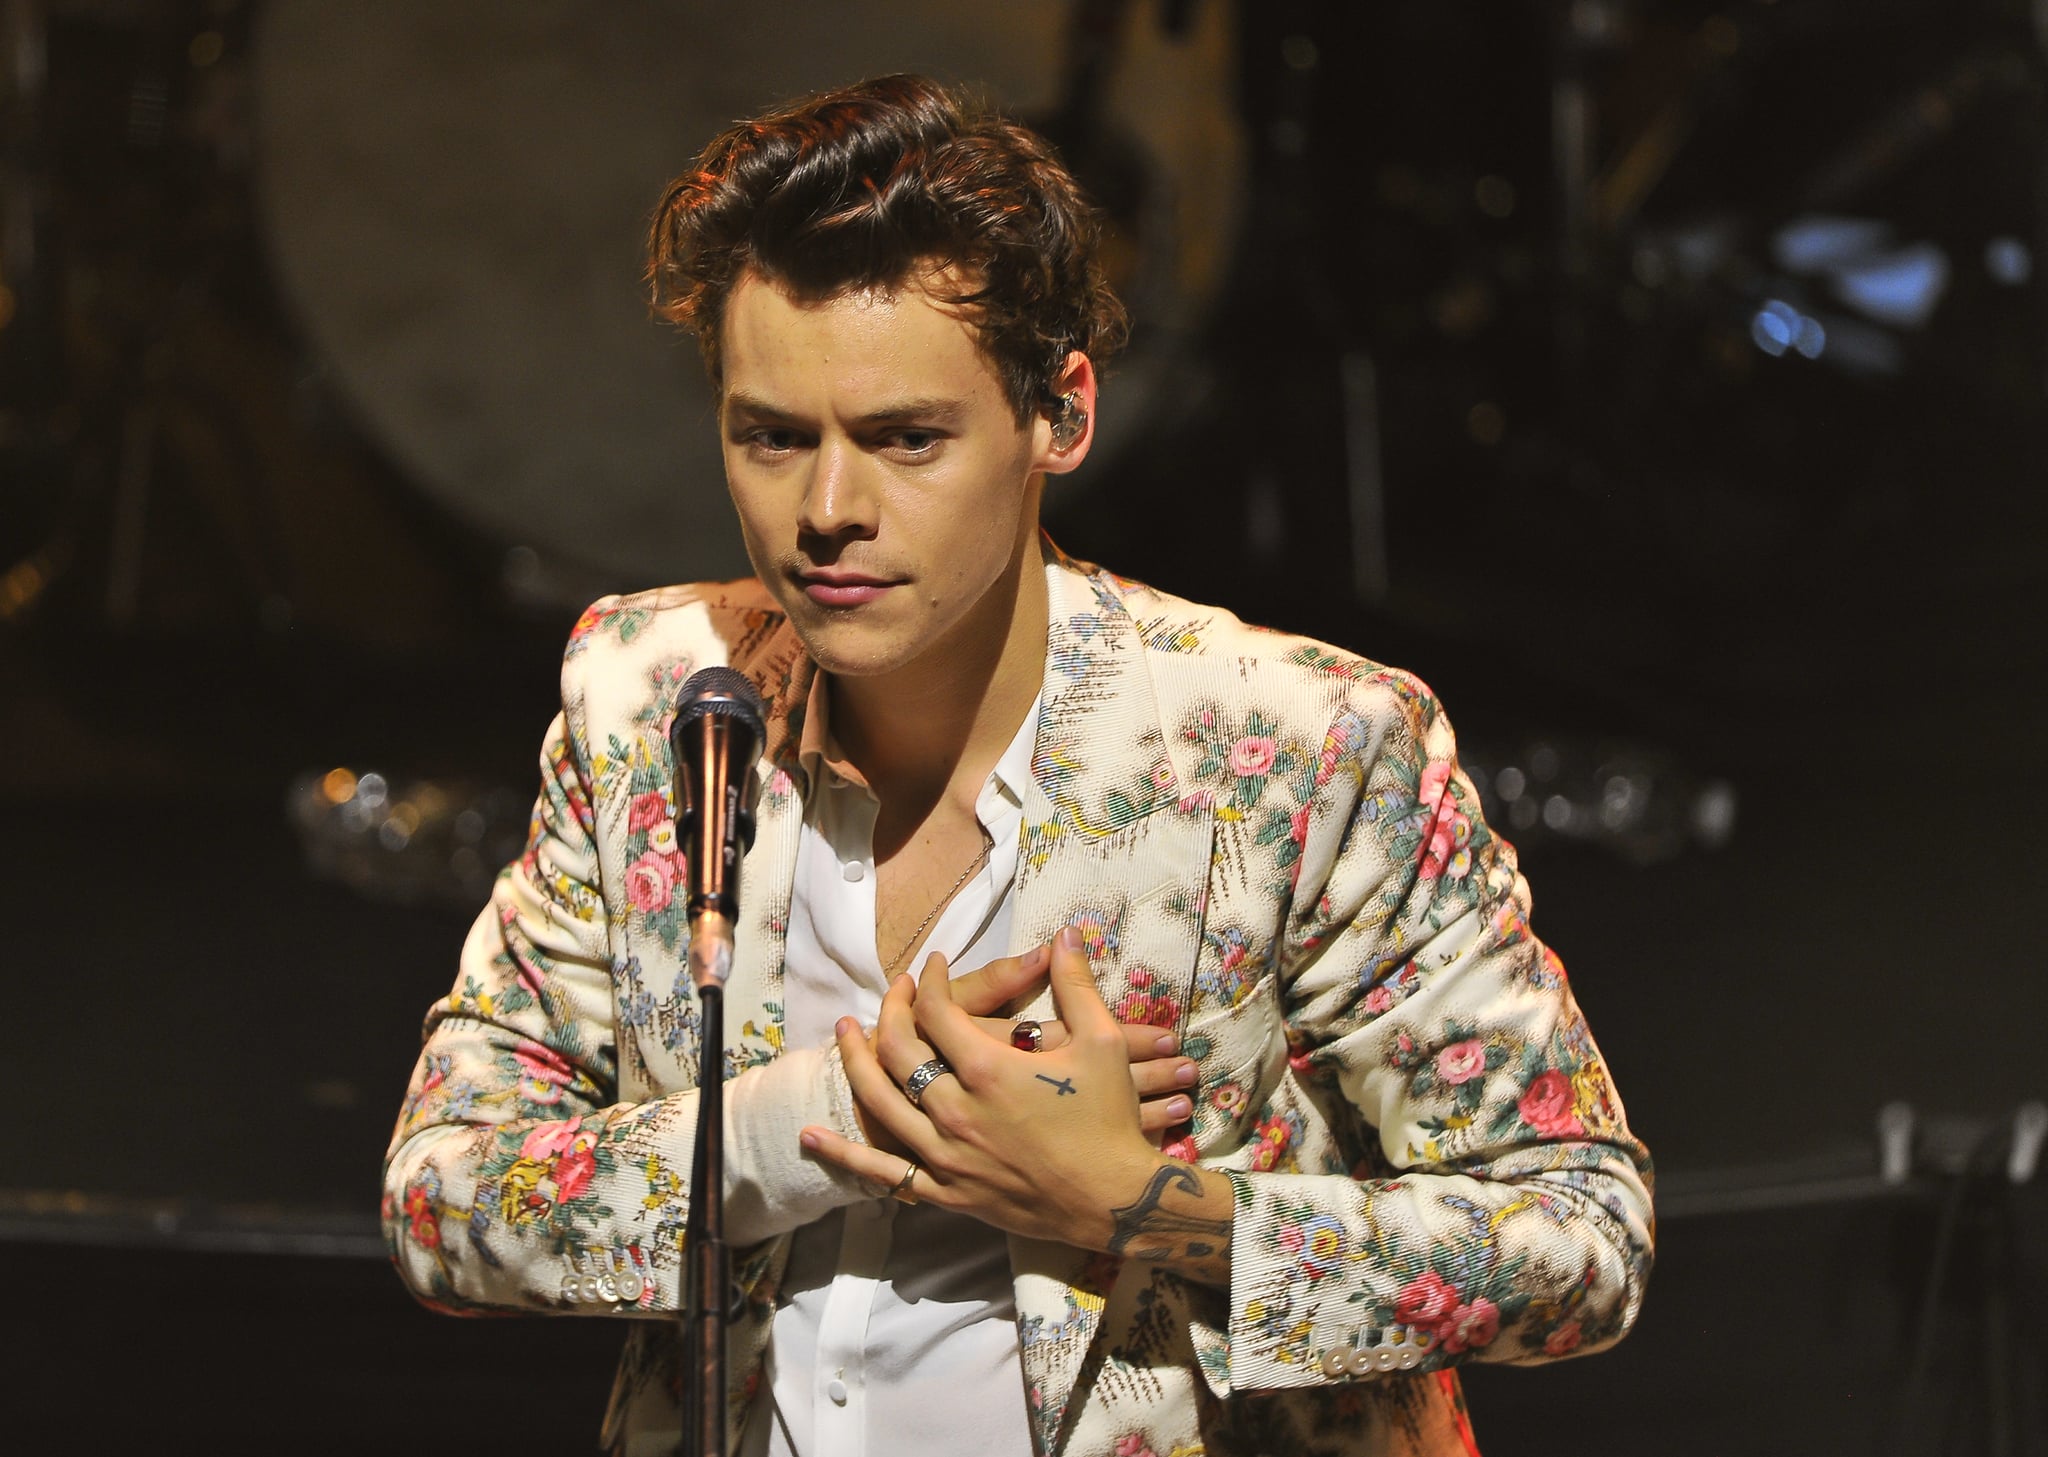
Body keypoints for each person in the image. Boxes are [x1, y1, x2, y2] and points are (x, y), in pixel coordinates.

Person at [382, 73, 1654, 1457]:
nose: (827, 511)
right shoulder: (655, 704)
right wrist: (803, 1122)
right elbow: (442, 1199)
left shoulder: (1301, 748)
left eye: (906, 438)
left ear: (1061, 414)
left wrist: (1133, 1207)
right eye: (772, 436)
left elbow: (1579, 1234)